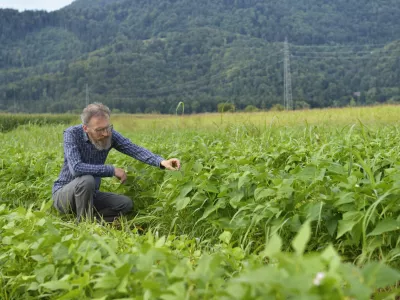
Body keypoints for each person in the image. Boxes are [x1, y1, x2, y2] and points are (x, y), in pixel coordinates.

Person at [52, 102, 180, 223]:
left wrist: (161, 161)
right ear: (86, 128)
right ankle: (85, 225)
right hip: (64, 196)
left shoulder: (109, 135)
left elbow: (134, 149)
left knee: (125, 204)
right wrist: (111, 170)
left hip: (91, 195)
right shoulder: (72, 134)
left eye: (107, 127)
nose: (106, 133)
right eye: (99, 130)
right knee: (87, 180)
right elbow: (76, 168)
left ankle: (91, 220)